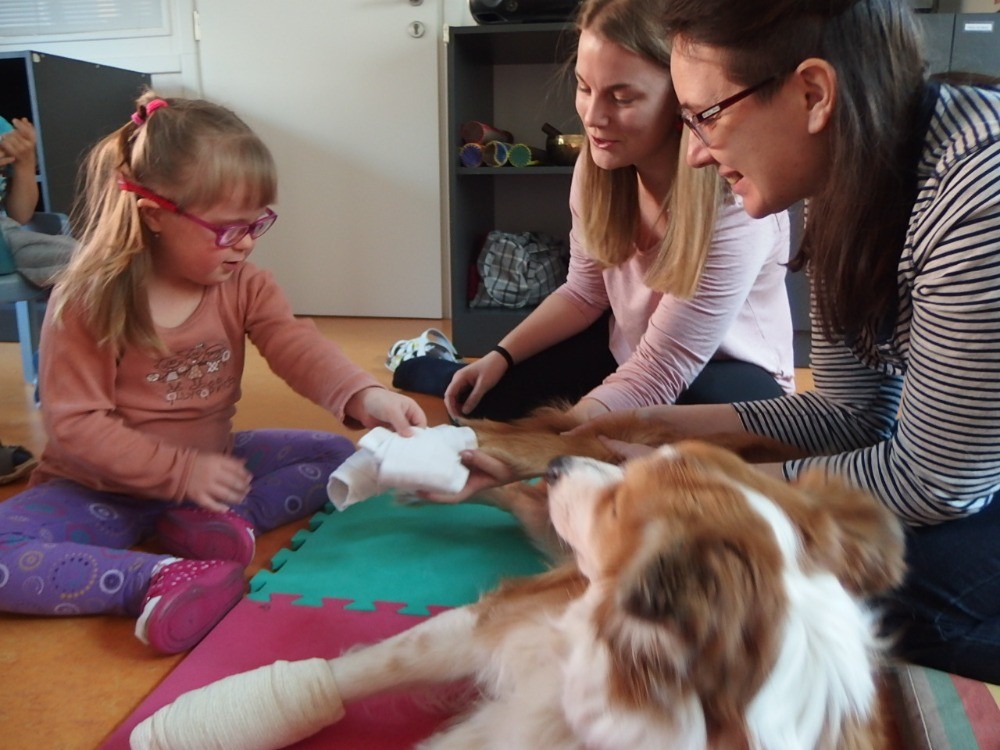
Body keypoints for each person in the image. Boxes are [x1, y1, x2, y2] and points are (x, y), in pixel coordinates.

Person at [455, 0, 1000, 683]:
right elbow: (851, 414)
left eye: (705, 116)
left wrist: (687, 485)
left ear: (813, 94)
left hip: (966, 481)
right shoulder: (840, 174)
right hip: (960, 470)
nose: (695, 152)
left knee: (817, 584)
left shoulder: (979, 195)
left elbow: (935, 481)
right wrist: (642, 437)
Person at [0, 94, 427, 654]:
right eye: (227, 228)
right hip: (97, 489)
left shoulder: (245, 283)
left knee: (336, 455)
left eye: (258, 223)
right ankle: (155, 578)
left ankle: (220, 523)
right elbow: (76, 424)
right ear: (155, 214)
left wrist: (366, 395)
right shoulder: (87, 298)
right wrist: (179, 472)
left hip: (209, 474)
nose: (245, 242)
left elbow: (294, 345)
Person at [441, 0, 794, 423]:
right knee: (483, 401)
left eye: (621, 97)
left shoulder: (733, 196)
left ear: (680, 99)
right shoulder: (596, 166)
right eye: (584, 88)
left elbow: (663, 369)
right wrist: (500, 356)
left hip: (732, 375)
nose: (593, 117)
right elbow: (583, 293)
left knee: (660, 428)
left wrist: (562, 436)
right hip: (635, 355)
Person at [0, 115, 76, 287]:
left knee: (85, 260)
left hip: (7, 238)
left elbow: (20, 215)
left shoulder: (2, 130)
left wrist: (25, 163)